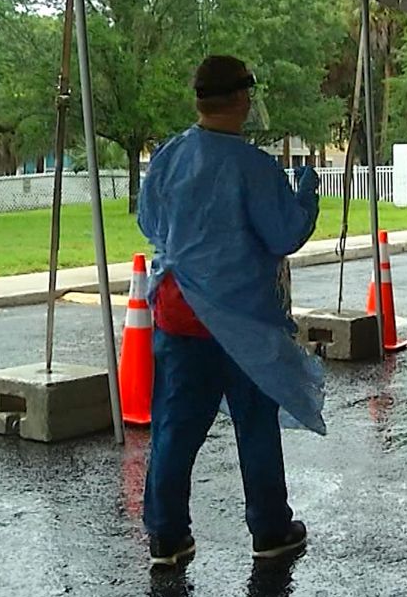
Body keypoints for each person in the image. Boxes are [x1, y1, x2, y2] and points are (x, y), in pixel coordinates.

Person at [137, 55, 324, 568]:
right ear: (242, 100)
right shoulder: (254, 166)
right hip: (243, 320)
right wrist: (305, 195)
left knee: (175, 425)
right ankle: (270, 529)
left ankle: (166, 536)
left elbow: (150, 223)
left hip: (178, 313)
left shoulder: (169, 156)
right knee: (255, 424)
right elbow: (285, 234)